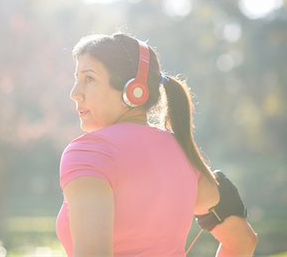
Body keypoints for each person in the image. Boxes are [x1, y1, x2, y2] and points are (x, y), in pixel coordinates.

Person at [55, 33, 258, 257]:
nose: (74, 93)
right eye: (77, 78)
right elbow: (243, 242)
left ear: (134, 89)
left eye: (89, 79)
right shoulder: (183, 152)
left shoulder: (88, 153)